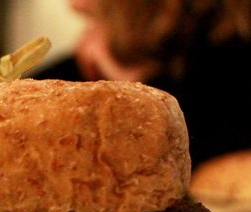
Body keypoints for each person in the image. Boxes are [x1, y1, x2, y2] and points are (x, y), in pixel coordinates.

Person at [35, 0, 251, 166]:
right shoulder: (62, 76)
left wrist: (126, 80)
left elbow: (189, 159)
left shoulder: (228, 64)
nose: (74, 5)